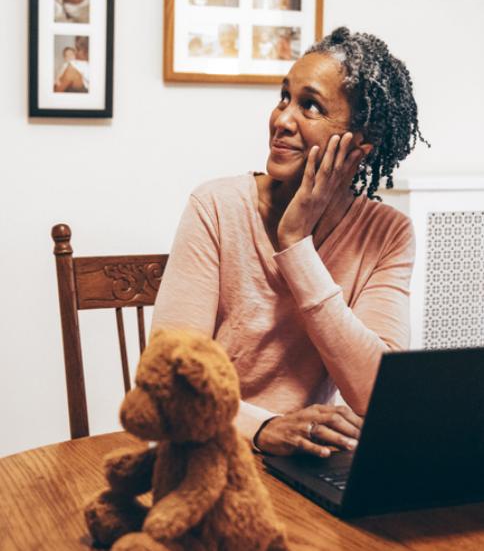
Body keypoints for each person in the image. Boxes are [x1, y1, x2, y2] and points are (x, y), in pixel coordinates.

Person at [151, 26, 429, 458]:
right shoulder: (216, 205)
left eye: (310, 106)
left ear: (362, 142)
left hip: (307, 460)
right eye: (284, 97)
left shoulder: (387, 234)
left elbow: (377, 397)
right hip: (206, 447)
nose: (281, 120)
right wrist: (263, 428)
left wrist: (296, 244)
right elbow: (169, 375)